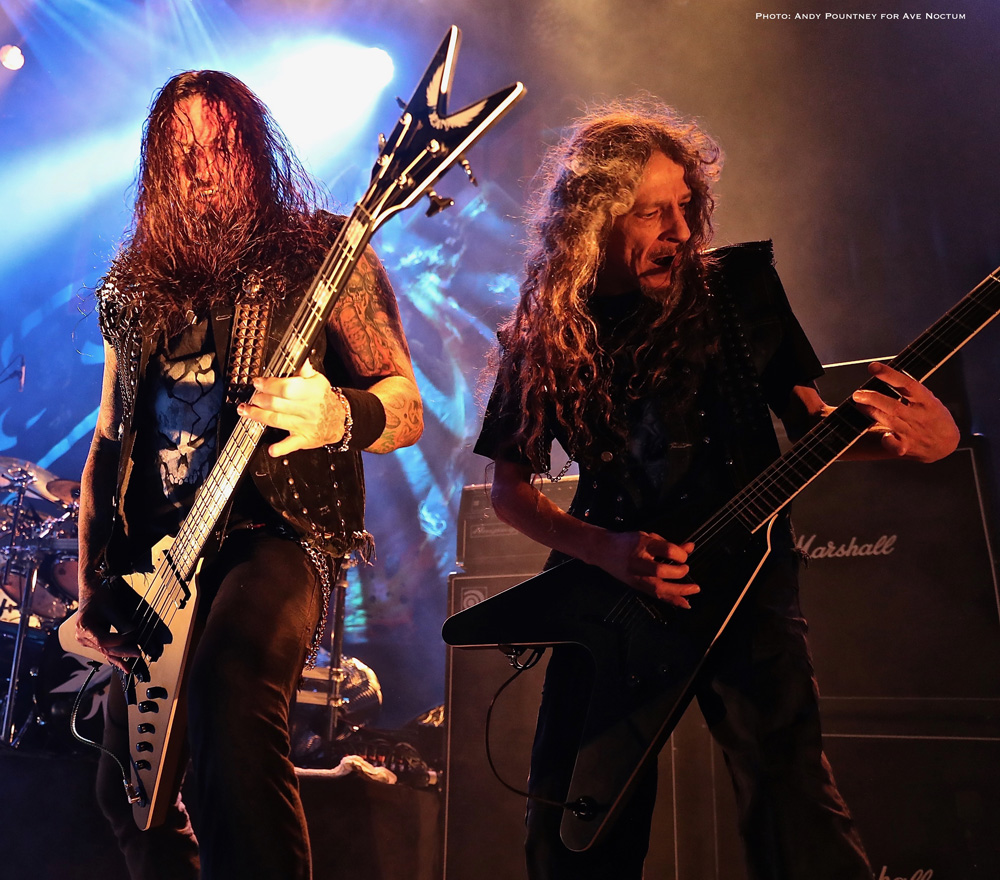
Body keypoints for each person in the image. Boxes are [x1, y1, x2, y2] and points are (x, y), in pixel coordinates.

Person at [474, 99, 959, 880]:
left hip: (749, 579)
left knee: (793, 801)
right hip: (609, 599)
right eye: (652, 212)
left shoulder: (740, 289)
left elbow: (815, 426)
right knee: (575, 830)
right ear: (593, 221)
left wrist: (917, 442)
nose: (679, 228)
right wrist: (608, 550)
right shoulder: (548, 330)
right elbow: (509, 490)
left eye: (685, 204)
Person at [74, 70, 423, 880]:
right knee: (127, 790)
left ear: (255, 151)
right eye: (182, 153)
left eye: (221, 146)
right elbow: (108, 440)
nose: (202, 167)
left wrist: (337, 414)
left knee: (230, 687)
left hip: (278, 537)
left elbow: (405, 404)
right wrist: (94, 578)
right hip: (159, 563)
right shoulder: (131, 288)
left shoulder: (321, 252)